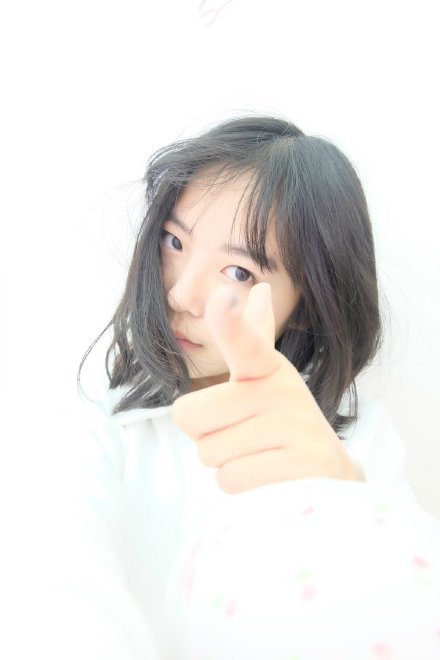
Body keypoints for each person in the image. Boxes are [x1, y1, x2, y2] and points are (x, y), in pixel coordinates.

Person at [70, 115, 440, 659]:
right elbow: (62, 579)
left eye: (239, 272)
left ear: (308, 305)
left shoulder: (359, 443)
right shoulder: (97, 418)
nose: (182, 294)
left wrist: (338, 492)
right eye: (174, 241)